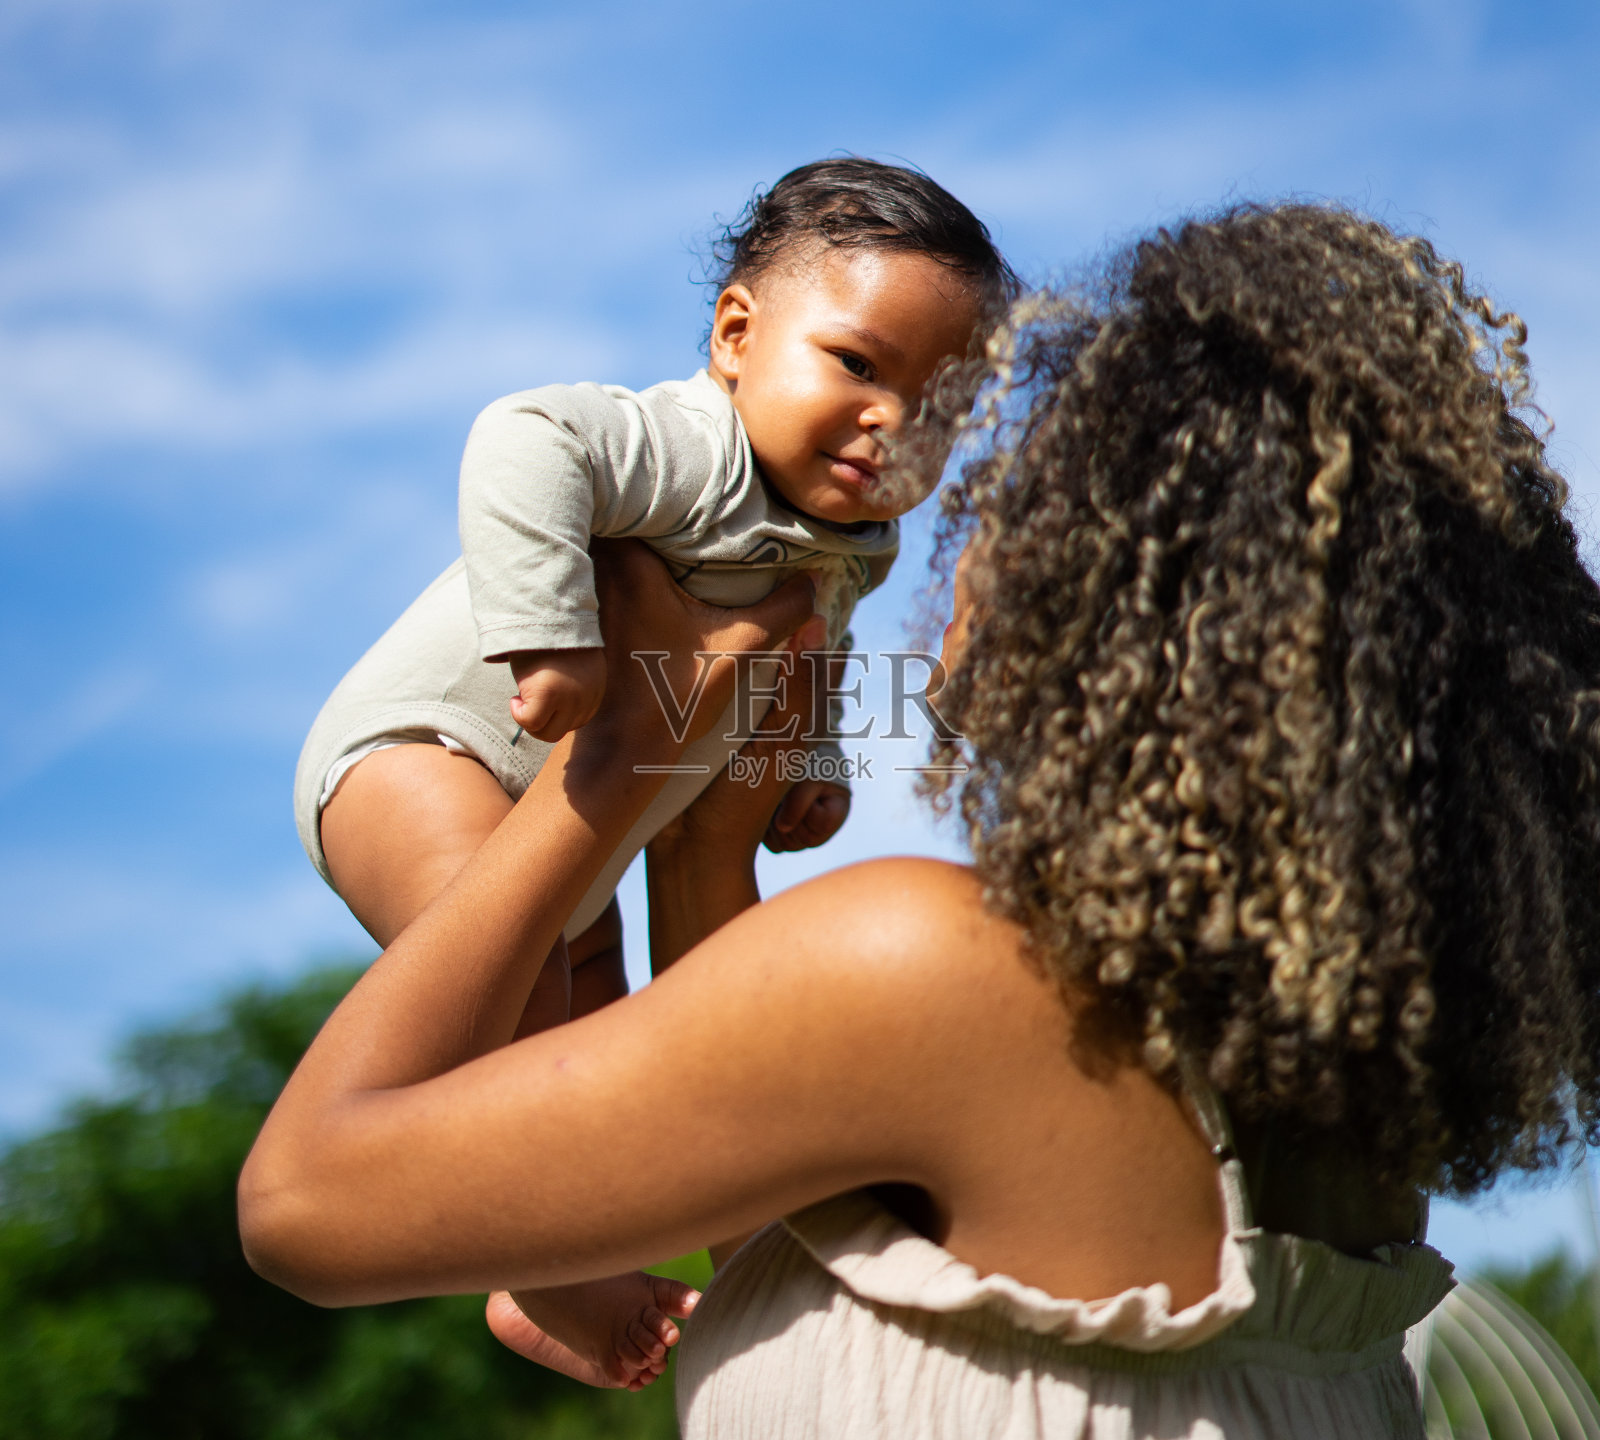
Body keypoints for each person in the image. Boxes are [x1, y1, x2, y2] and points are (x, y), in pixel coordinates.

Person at [241, 203, 1600, 1438]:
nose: (952, 513)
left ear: (1122, 593)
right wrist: (711, 834)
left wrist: (616, 769)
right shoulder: (1321, 1118)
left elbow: (302, 1207)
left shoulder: (932, 965)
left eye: (1013, 490)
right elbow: (782, 1223)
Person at [289, 157, 1015, 1385]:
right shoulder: (684, 447)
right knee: (517, 1018)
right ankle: (554, 1272)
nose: (894, 420)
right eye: (857, 364)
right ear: (737, 333)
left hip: (585, 827)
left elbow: (813, 654)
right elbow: (522, 438)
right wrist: (553, 633)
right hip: (428, 755)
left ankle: (549, 1268)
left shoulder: (858, 541)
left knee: (609, 1048)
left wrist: (809, 760)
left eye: (944, 406)